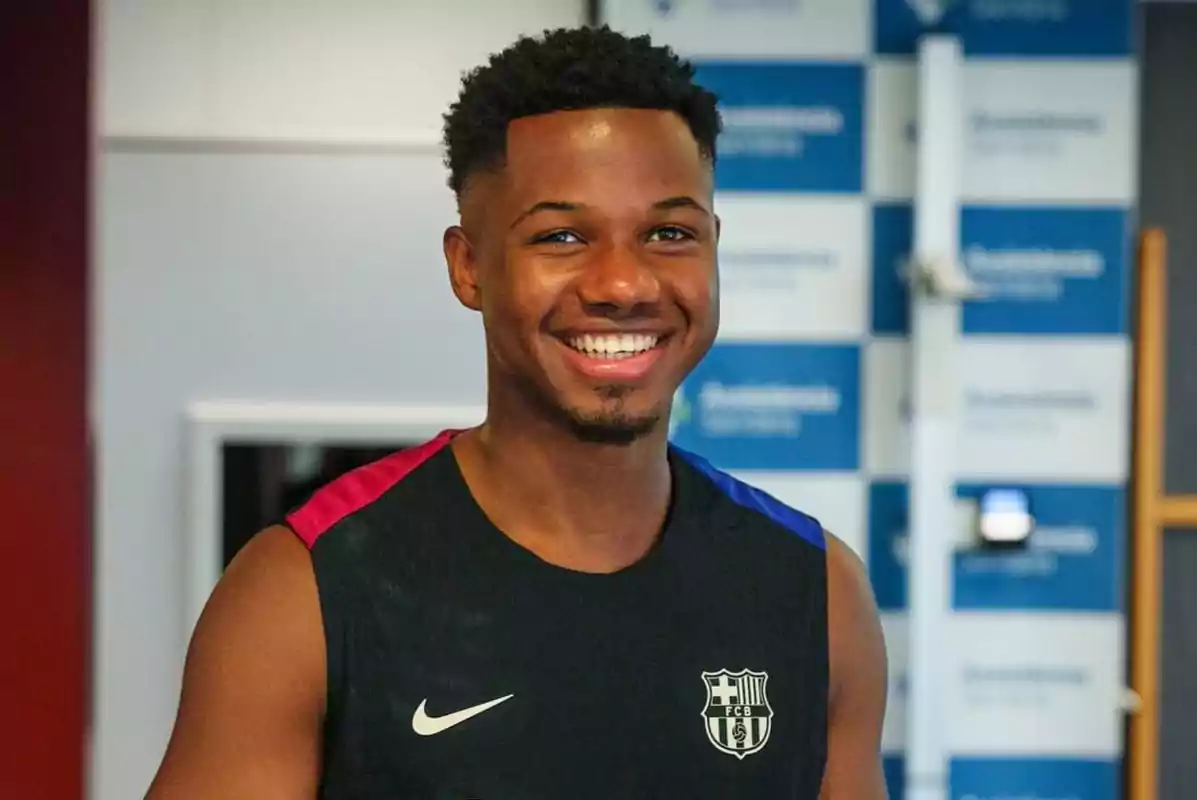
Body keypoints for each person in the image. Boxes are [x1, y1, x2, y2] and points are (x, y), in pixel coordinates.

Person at [146, 24, 888, 799]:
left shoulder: (817, 590)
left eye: (669, 233)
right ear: (469, 267)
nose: (623, 285)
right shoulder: (303, 591)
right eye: (562, 236)